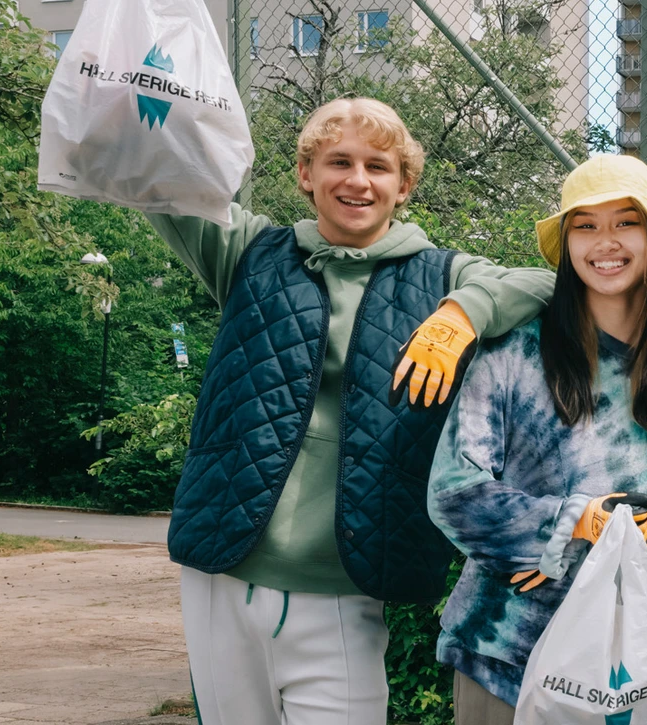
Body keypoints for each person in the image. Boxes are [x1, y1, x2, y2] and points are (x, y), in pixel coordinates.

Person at [144, 98, 561, 725]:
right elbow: (164, 185)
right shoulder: (252, 252)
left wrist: (460, 312)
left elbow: (556, 283)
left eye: (378, 166)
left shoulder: (444, 274)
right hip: (221, 574)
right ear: (306, 174)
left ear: (405, 184)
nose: (358, 180)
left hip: (344, 590)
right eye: (338, 162)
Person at [424, 154, 647, 725]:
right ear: (567, 244)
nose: (606, 242)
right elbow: (454, 491)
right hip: (505, 650)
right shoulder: (513, 353)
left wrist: (623, 535)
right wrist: (575, 522)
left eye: (626, 222)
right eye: (585, 225)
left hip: (635, 665)